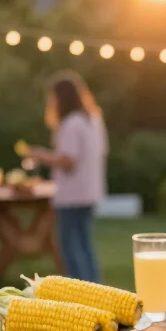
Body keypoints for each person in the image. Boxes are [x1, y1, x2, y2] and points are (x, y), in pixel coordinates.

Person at [24, 71, 108, 282]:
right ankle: (95, 287)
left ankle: (79, 290)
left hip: (72, 195)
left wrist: (39, 155)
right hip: (90, 192)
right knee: (85, 245)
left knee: (70, 247)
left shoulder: (71, 123)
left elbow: (68, 161)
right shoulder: (93, 120)